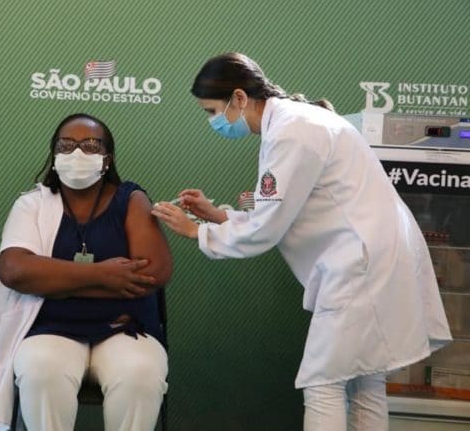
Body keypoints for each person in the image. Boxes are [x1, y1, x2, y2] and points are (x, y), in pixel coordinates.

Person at [151, 52, 451, 431]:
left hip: (359, 265)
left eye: (212, 111)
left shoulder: (291, 132)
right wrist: (217, 216)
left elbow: (266, 228)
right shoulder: (298, 122)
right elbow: (282, 213)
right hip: (376, 255)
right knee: (364, 381)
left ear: (239, 97)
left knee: (322, 382)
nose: (213, 121)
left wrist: (198, 230)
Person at [0, 113, 172, 431]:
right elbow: (13, 270)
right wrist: (105, 276)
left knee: (141, 373)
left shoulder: (132, 199)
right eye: (65, 145)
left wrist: (54, 281)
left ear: (107, 159)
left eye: (90, 145)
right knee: (40, 369)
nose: (77, 153)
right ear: (54, 156)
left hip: (125, 328)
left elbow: (152, 272)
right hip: (51, 329)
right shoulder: (32, 204)